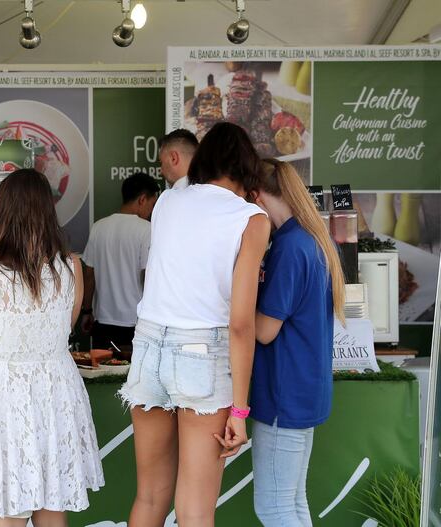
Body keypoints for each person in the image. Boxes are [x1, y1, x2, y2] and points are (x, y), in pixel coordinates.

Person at [119, 122, 270, 527]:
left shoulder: (168, 201)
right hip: (202, 353)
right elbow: (241, 324)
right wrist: (239, 409)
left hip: (148, 346)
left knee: (149, 497)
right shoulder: (251, 219)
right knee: (195, 512)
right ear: (247, 167)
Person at [0, 169, 104, 526]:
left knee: (7, 509)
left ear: (1, 211)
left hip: (3, 396)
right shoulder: (71, 267)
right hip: (56, 392)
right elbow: (62, 329)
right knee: (52, 506)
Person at [249, 159, 346, 527]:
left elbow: (264, 330)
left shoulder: (289, 247)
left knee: (273, 509)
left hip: (283, 395)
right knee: (293, 502)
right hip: (304, 391)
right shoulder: (312, 239)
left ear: (256, 196)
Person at [81, 171, 159, 349]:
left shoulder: (98, 227)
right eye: (152, 204)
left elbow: (89, 275)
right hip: (136, 322)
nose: (152, 211)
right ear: (142, 199)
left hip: (102, 321)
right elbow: (147, 276)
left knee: (103, 374)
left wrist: (87, 311)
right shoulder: (147, 230)